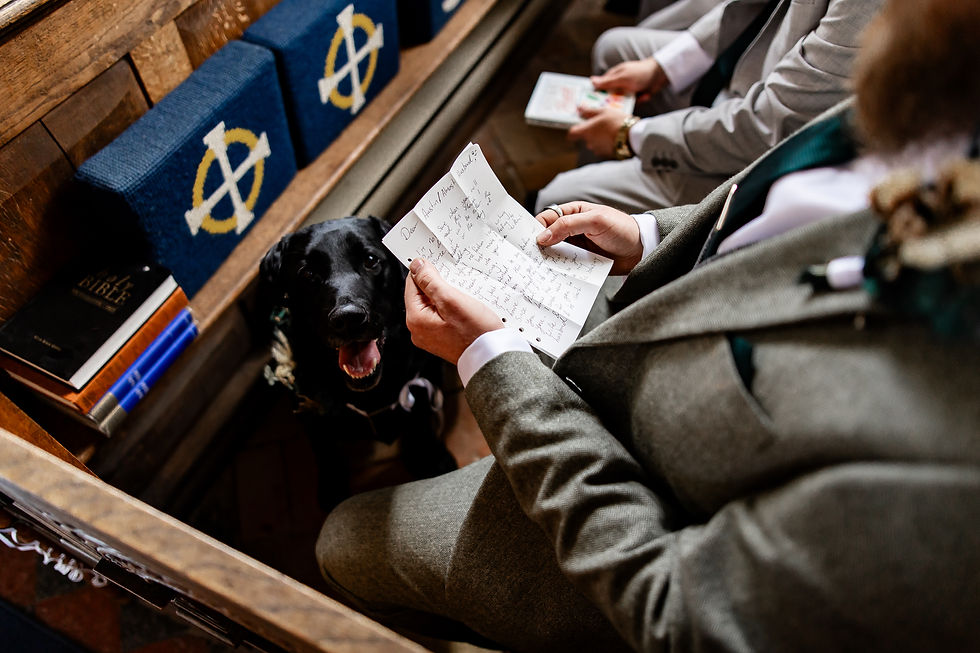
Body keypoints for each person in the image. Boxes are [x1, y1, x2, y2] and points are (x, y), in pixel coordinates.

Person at [316, 0, 980, 650]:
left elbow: (675, 612)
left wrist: (492, 362)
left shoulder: (946, 480)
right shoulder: (941, 88)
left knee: (342, 541)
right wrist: (646, 235)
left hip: (627, 507)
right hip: (643, 343)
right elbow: (781, 211)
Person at [535, 0, 883, 216]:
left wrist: (631, 134)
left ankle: (603, 227)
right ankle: (610, 193)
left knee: (559, 197)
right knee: (617, 49)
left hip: (761, 158)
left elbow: (768, 126)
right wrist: (663, 67)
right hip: (751, 74)